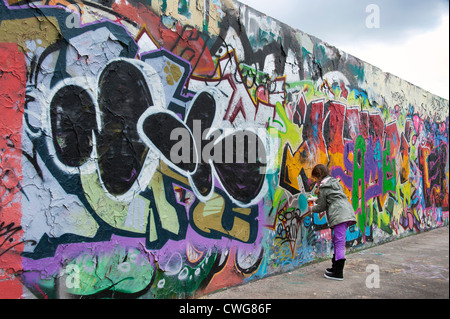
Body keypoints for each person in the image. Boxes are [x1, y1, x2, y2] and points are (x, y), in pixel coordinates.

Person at [308, 164, 357, 280]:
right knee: (337, 240)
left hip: (340, 215)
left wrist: (311, 208)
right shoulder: (334, 183)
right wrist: (316, 198)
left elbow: (321, 206)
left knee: (339, 242)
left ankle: (338, 273)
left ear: (319, 176)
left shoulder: (324, 187)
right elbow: (333, 197)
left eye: (315, 178)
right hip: (346, 212)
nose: (316, 181)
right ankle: (335, 268)